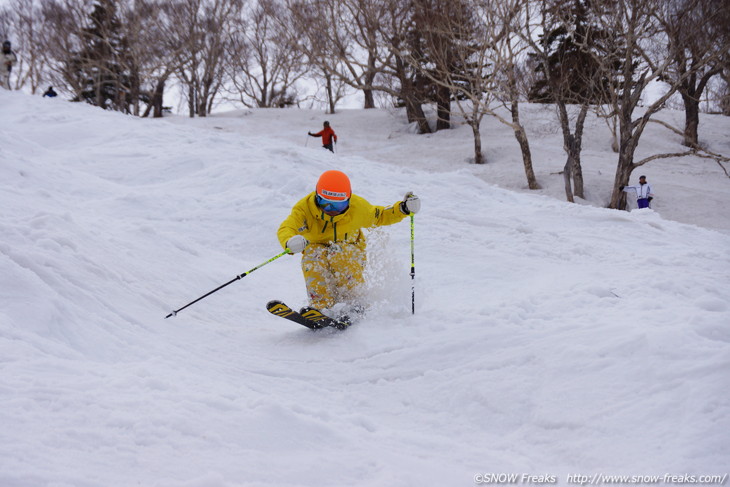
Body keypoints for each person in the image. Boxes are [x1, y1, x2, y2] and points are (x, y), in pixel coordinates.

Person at [277, 170, 420, 320]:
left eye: (338, 205)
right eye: (325, 203)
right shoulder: (304, 209)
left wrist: (403, 208)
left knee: (338, 252)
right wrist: (289, 241)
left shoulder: (358, 208)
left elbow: (382, 215)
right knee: (312, 253)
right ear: (316, 197)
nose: (331, 210)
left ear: (348, 200)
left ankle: (355, 302)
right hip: (318, 248)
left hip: (349, 252)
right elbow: (287, 227)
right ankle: (321, 306)